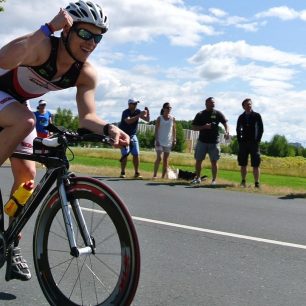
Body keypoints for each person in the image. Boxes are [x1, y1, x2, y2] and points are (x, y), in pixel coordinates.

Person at [0, 0, 129, 282]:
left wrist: (109, 129)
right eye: (85, 33)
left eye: (97, 37)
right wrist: (48, 28)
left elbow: (87, 117)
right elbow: (4, 60)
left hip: (13, 103)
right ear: (68, 30)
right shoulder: (44, 46)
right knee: (26, 120)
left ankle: (11, 247)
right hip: (9, 100)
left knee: (26, 178)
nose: (91, 42)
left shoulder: (85, 73)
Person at [191, 97, 229, 185]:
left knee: (214, 161)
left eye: (214, 103)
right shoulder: (200, 114)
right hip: (202, 141)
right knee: (198, 160)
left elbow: (225, 123)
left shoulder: (218, 113)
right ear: (206, 104)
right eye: (211, 103)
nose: (213, 104)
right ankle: (197, 178)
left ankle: (214, 180)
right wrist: (204, 127)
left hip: (214, 142)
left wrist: (227, 131)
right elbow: (193, 127)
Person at [119, 98, 150, 178]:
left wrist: (148, 112)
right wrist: (139, 115)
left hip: (133, 135)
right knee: (125, 154)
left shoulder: (138, 111)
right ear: (129, 104)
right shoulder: (125, 112)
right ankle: (123, 172)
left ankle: (136, 172)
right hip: (124, 135)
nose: (136, 105)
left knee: (136, 154)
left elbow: (147, 120)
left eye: (136, 103)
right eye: (134, 103)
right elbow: (129, 121)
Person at [236, 98, 264, 188]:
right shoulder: (241, 117)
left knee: (256, 164)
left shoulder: (257, 115)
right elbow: (238, 129)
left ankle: (257, 183)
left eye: (250, 104)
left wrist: (258, 140)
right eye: (247, 104)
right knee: (243, 164)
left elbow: (261, 129)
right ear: (243, 106)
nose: (249, 106)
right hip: (243, 143)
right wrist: (239, 139)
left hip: (254, 143)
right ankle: (243, 181)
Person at [153, 102, 176, 179]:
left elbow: (174, 129)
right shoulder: (159, 118)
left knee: (165, 160)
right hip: (159, 141)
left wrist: (174, 139)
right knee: (159, 158)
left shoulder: (173, 118)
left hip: (168, 141)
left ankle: (163, 176)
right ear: (163, 109)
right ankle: (155, 175)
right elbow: (156, 130)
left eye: (170, 108)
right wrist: (157, 140)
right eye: (167, 107)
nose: (169, 109)